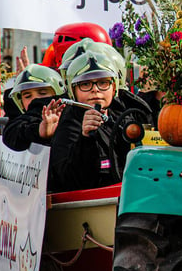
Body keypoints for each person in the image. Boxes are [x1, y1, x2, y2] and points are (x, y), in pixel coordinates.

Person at [48, 51, 151, 192]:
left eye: (103, 82)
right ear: (73, 91)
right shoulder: (68, 125)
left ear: (114, 87)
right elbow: (69, 181)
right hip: (95, 206)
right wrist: (85, 139)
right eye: (85, 84)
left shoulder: (127, 116)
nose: (95, 89)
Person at [2, 64, 67, 151]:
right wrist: (38, 130)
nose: (35, 100)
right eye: (28, 96)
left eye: (43, 93)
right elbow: (11, 134)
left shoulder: (69, 114)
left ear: (58, 93)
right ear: (20, 102)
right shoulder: (20, 121)